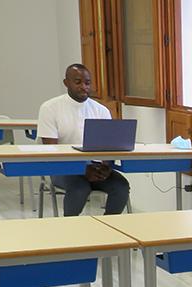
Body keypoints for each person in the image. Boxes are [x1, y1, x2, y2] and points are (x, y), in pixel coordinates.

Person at [36, 64, 129, 216]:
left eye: (87, 83)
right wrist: (82, 169)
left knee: (121, 187)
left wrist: (106, 167)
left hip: (95, 167)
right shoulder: (50, 108)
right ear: (66, 83)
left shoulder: (101, 110)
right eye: (78, 82)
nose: (84, 87)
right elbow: (51, 151)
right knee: (80, 189)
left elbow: (108, 146)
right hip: (62, 167)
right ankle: (70, 228)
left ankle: (106, 227)